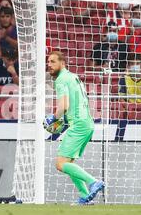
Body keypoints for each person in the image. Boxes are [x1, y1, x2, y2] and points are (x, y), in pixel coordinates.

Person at [44, 50, 105, 205]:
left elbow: (64, 105)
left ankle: (93, 182)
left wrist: (53, 118)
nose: (49, 65)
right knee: (68, 162)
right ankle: (85, 195)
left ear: (62, 63)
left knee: (60, 164)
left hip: (78, 124)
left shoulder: (61, 80)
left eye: (53, 62)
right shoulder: (73, 77)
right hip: (86, 123)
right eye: (48, 62)